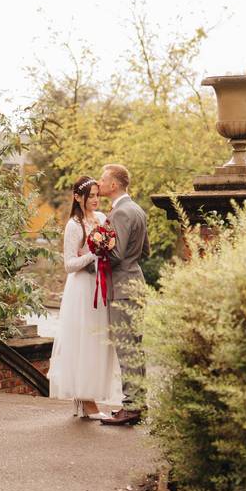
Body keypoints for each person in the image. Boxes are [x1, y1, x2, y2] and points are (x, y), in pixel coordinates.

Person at [47, 176, 124, 420]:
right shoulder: (73, 225)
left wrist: (105, 251)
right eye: (90, 196)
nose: (95, 200)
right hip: (81, 289)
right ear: (78, 198)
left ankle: (90, 397)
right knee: (83, 341)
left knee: (99, 341)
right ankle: (86, 401)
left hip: (100, 286)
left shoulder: (102, 219)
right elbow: (69, 264)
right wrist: (94, 254)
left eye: (97, 195)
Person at [96, 163, 150, 426]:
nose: (100, 182)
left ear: (114, 185)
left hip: (122, 287)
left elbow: (115, 255)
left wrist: (98, 247)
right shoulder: (137, 209)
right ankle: (139, 403)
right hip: (136, 282)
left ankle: (131, 407)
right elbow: (145, 251)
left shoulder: (120, 213)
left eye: (103, 179)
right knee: (135, 347)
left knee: (126, 348)